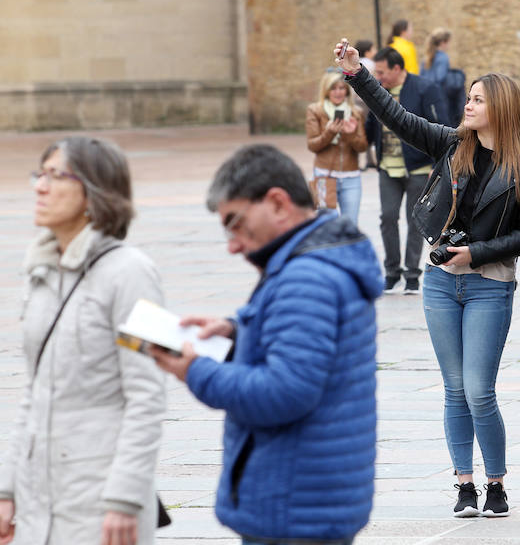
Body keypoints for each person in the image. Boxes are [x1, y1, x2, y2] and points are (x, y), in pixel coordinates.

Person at [336, 39, 520, 518]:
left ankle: (496, 483)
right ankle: (464, 485)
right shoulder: (454, 144)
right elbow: (398, 118)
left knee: (479, 390)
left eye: (476, 100)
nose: (467, 105)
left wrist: (475, 253)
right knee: (454, 389)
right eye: (468, 98)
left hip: (489, 282)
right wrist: (358, 73)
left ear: (501, 109)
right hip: (438, 283)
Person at [150, 144, 381, 545]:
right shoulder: (313, 262)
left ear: (277, 203)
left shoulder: (306, 277)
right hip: (308, 497)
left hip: (293, 505)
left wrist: (196, 372)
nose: (233, 244)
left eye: (235, 223)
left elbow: (286, 392)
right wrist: (237, 330)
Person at [0, 137, 166, 545]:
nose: (40, 186)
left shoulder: (133, 273)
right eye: (40, 174)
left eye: (55, 175)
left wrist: (125, 498)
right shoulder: (42, 272)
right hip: (41, 496)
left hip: (101, 500)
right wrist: (6, 489)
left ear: (95, 191)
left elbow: (147, 395)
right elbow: (34, 392)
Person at [365, 47, 448, 293]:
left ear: (397, 68)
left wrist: (437, 164)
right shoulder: (380, 90)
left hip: (418, 167)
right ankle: (391, 271)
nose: (378, 77)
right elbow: (372, 123)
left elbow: (441, 125)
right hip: (388, 167)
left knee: (416, 221)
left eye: (382, 72)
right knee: (387, 217)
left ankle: (412, 274)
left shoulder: (424, 88)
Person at [306, 71, 369, 223]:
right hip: (324, 175)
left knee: (350, 225)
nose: (338, 92)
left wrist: (349, 135)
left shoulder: (356, 112)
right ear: (326, 90)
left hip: (351, 178)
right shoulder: (316, 110)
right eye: (333, 88)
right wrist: (329, 132)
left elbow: (362, 147)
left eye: (342, 88)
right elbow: (313, 145)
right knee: (325, 224)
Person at [421, 28, 465, 126]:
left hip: (425, 96)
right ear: (443, 43)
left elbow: (421, 77)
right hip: (439, 97)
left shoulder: (426, 58)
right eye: (448, 42)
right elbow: (440, 78)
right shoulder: (443, 57)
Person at [354, 40, 378, 169]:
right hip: (367, 102)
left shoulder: (355, 63)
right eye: (373, 49)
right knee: (369, 130)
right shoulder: (371, 64)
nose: (375, 52)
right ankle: (370, 160)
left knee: (358, 130)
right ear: (367, 52)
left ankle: (359, 161)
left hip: (356, 101)